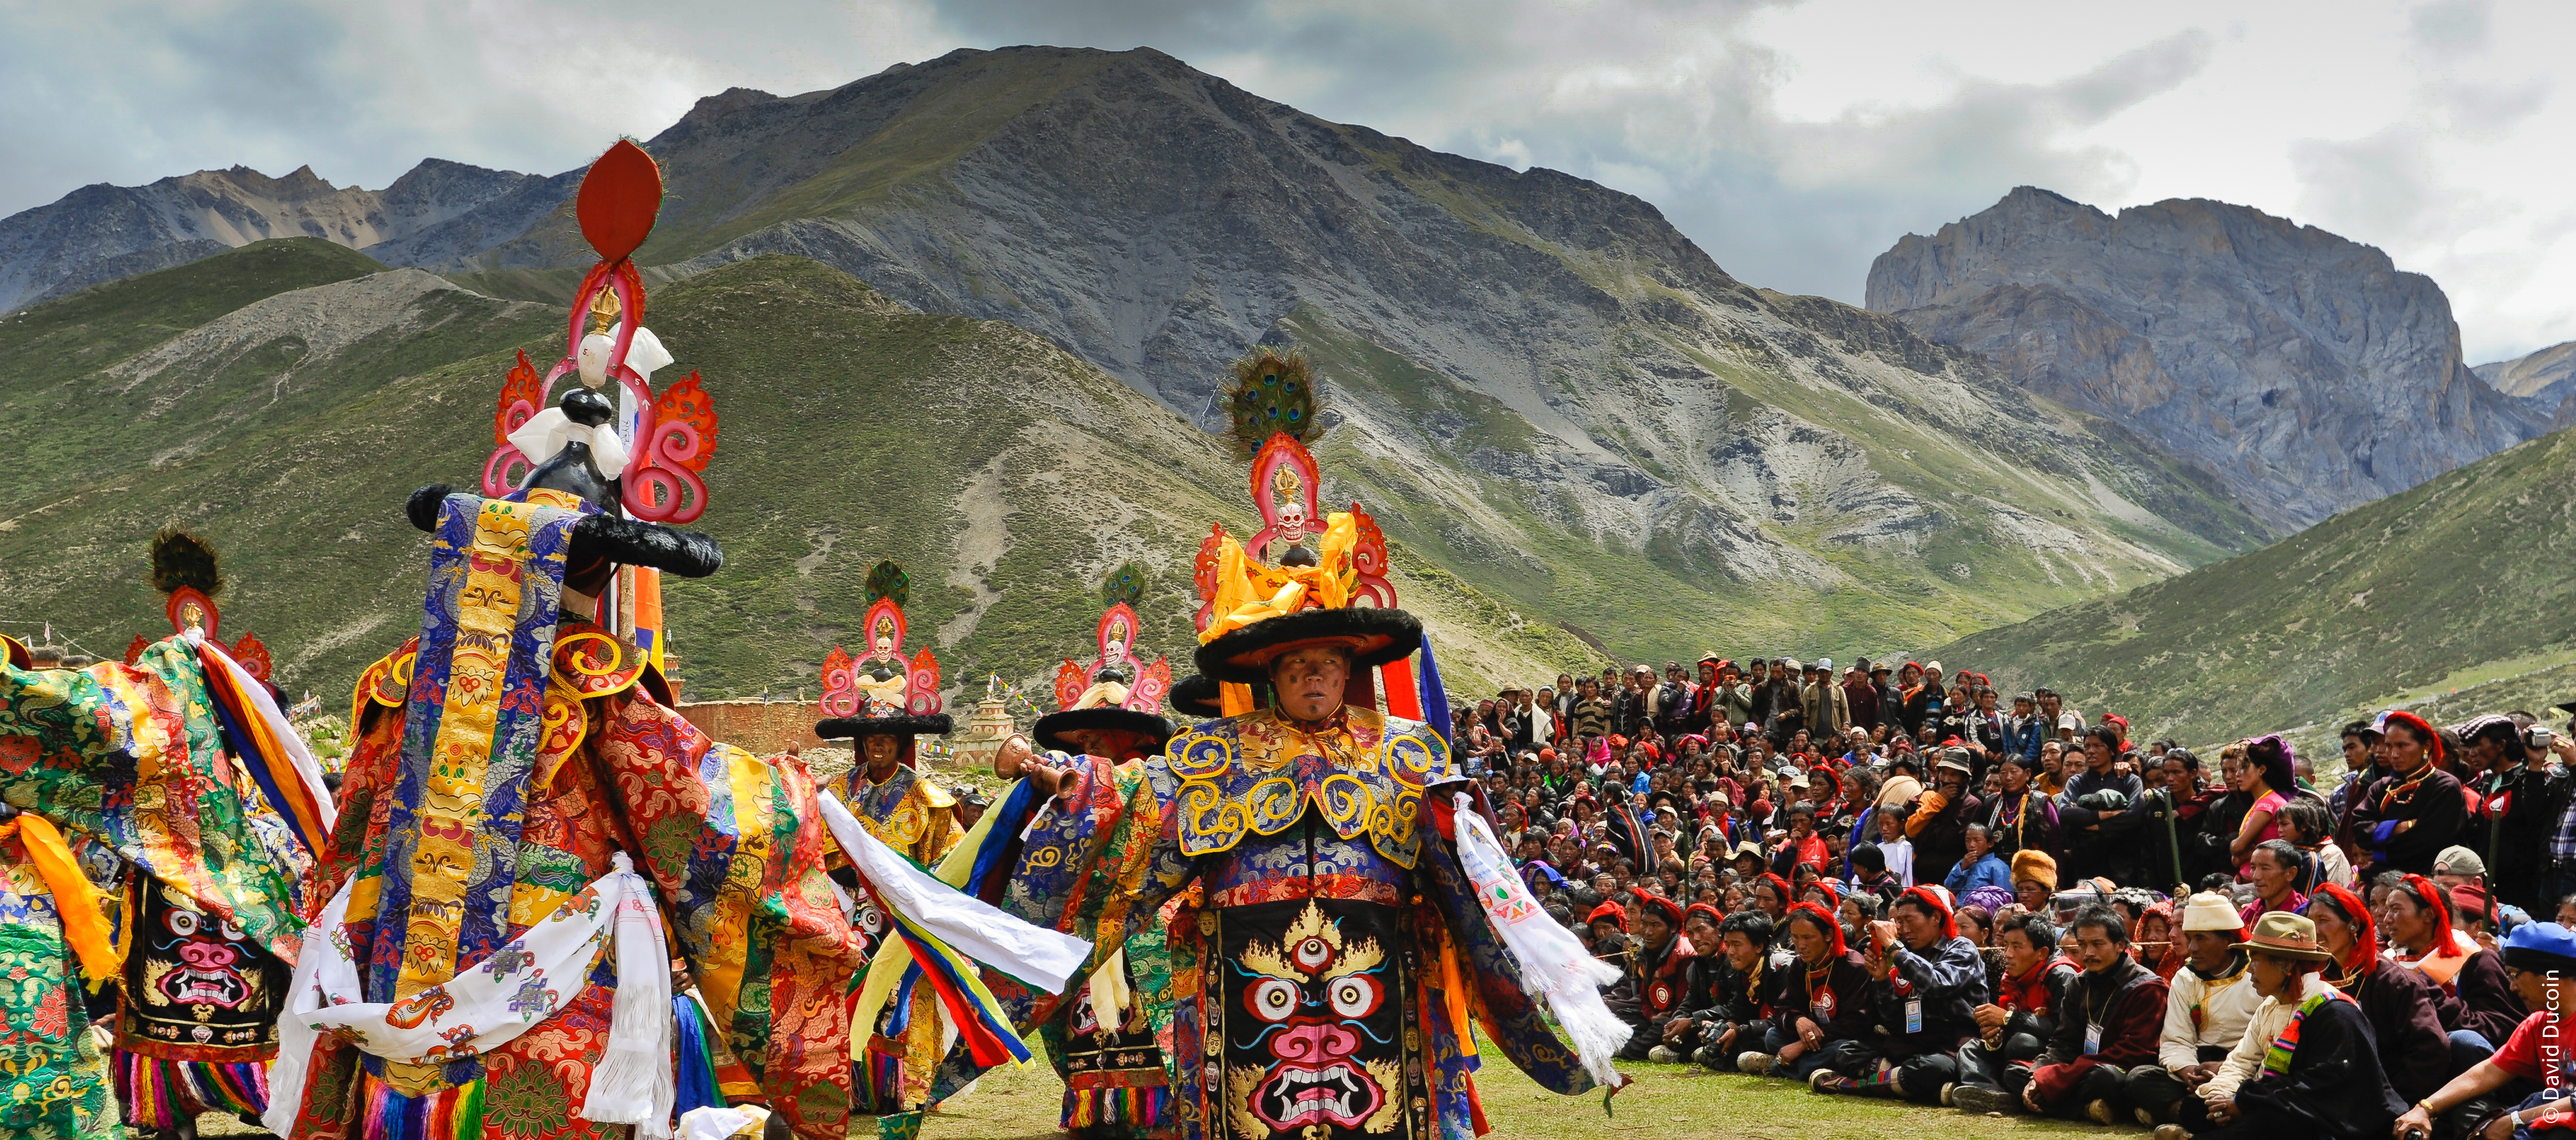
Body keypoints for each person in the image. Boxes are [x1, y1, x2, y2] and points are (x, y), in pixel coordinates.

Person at [995, 587, 1614, 1138]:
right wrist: (1063, 781)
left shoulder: (1404, 752)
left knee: (1379, 1104)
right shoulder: (1213, 755)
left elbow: (1461, 861)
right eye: (1295, 665)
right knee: (1252, 1107)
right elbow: (1133, 799)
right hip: (1243, 971)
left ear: (1347, 669)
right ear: (1271, 673)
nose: (1311, 677)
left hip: (1378, 968)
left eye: (1326, 664)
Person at [2152, 913, 2405, 1140]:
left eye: (2257, 960)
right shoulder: (2272, 1005)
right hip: (2280, 1100)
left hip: (2333, 1117)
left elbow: (2320, 1087)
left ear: (2286, 964)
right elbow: (2241, 1060)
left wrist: (2246, 1102)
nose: (2249, 969)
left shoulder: (2335, 1012)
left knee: (2274, 1123)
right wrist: (2222, 1096)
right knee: (2203, 1108)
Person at [2393, 922, 2576, 1140]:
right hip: (2547, 1117)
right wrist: (2425, 1109)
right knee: (2464, 1109)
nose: (2513, 987)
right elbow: (2485, 1074)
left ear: (2551, 975)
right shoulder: (2539, 1024)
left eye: (2515, 975)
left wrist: (2515, 1120)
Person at [1813, 886, 1989, 1100]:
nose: (1903, 929)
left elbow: (1937, 984)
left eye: (1909, 920)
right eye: (1899, 922)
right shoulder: (1907, 953)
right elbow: (1895, 1022)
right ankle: (1923, 1088)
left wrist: (1893, 947)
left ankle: (1849, 1085)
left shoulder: (1961, 947)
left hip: (1951, 1045)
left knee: (1934, 1068)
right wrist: (1881, 979)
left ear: (1935, 917)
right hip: (1914, 1042)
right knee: (1847, 1052)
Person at [2304, 884, 2451, 1113]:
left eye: (2323, 920)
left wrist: (2391, 1101)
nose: (2315, 931)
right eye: (2310, 921)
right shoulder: (2310, 978)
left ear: (2353, 924)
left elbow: (2430, 1049)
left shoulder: (2394, 982)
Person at [2015, 906, 2169, 1122]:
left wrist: (2058, 1078)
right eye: (2083, 945)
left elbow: (2133, 1052)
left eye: (2097, 944)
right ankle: (2086, 1110)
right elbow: (2064, 1041)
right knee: (2018, 1073)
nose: (2088, 953)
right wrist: (2039, 1074)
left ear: (2120, 945)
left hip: (2117, 1068)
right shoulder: (2079, 983)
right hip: (2080, 1067)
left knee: (2104, 1078)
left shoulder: (2148, 988)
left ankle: (2065, 1107)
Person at [2128, 893, 2261, 1127]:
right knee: (2140, 1078)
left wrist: (2225, 1068)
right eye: (2190, 939)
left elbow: (2267, 1044)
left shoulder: (2257, 976)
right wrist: (2189, 1072)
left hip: (2244, 1066)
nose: (2193, 948)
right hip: (2198, 1066)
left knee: (2259, 1087)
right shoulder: (2186, 977)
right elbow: (2176, 1039)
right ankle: (2201, 1113)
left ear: (2228, 940)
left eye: (2201, 939)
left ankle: (2181, 1114)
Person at [2380, 872, 2527, 1057]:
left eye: (2396, 909)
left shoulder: (2477, 960)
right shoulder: (2390, 961)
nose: (2387, 920)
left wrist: (2430, 994)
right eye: (2387, 911)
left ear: (2429, 914)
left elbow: (2500, 1029)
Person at [1953, 910, 2078, 1112]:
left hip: (2054, 1054)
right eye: (2006, 946)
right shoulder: (2012, 976)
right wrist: (1995, 1036)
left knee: (2020, 1047)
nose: (2008, 954)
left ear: (2042, 953)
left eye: (2017, 947)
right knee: (1971, 1049)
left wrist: (2008, 1019)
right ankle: (1989, 1093)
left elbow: (2064, 1031)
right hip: (2020, 1049)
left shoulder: (2061, 974)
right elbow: (2006, 1021)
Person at [1739, 903, 1876, 1081]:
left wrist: (1801, 1046)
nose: (1800, 945)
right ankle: (1811, 1066)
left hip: (1841, 1038)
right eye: (1795, 937)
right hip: (1814, 1039)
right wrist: (1798, 1020)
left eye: (1807, 938)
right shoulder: (1801, 964)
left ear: (1828, 935)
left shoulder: (1855, 966)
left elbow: (1856, 1022)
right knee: (1772, 1037)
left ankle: (1781, 1066)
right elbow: (1784, 1006)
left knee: (1842, 1050)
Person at [2350, 711, 2468, 877]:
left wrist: (2380, 848)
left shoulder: (2445, 786)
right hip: (2382, 878)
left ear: (2426, 746)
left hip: (2429, 879)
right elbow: (2359, 830)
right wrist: (2400, 827)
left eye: (2402, 746)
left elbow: (2428, 841)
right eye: (2389, 746)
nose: (2394, 754)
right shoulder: (2381, 788)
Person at [1610, 894, 1701, 1060]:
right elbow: (1645, 997)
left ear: (1673, 927)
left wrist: (1659, 1019)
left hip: (1678, 1018)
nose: (1648, 932)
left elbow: (1684, 1004)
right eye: (1644, 924)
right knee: (1622, 1015)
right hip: (1657, 1016)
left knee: (1663, 1026)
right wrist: (1652, 1016)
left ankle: (1628, 1050)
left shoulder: (1684, 956)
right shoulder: (1647, 953)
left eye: (1656, 925)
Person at [1690, 911, 1778, 1071]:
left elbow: (1783, 1020)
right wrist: (1722, 1029)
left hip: (1782, 1032)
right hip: (1758, 1029)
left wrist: (1741, 1031)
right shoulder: (1742, 970)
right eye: (1728, 944)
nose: (1730, 952)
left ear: (1759, 946)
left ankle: (1773, 1061)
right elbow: (1738, 1012)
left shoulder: (1780, 970)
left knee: (1772, 1037)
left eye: (1737, 945)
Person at [2226, 735, 2296, 871]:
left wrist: (2239, 849)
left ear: (2262, 770)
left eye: (2244, 768)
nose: (2237, 775)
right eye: (2238, 769)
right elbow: (2236, 859)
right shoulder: (2264, 801)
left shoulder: (2268, 804)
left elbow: (2237, 848)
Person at [2237, 839, 2309, 926]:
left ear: (2291, 873)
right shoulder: (2251, 913)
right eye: (2253, 868)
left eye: (2265, 868)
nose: (2256, 877)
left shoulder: (2305, 914)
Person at [1945, 823, 2012, 895]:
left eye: (1977, 840)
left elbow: (2005, 898)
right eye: (1968, 840)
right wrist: (1962, 867)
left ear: (1990, 844)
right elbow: (1948, 888)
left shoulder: (1998, 866)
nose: (1972, 845)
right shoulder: (1964, 863)